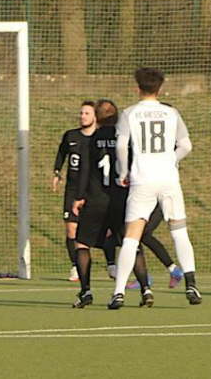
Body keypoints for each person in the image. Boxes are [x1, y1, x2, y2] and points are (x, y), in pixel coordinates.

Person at [108, 67, 201, 309]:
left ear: (137, 88)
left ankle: (118, 293)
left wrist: (123, 172)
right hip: (168, 179)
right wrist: (171, 159)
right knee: (179, 231)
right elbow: (186, 145)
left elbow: (120, 146)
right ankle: (191, 284)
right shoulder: (171, 113)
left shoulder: (130, 113)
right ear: (160, 89)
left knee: (131, 237)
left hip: (142, 179)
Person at [71, 99, 152, 308]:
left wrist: (79, 196)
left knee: (81, 243)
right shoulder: (124, 137)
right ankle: (146, 289)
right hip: (120, 199)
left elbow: (85, 170)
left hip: (96, 198)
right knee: (132, 243)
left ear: (96, 117)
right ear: (117, 118)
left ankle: (86, 291)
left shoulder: (91, 139)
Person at [53, 102, 116, 281]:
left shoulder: (100, 138)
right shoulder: (71, 136)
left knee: (106, 230)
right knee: (71, 230)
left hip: (95, 190)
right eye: (81, 113)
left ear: (95, 116)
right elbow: (61, 154)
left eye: (87, 113)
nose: (82, 116)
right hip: (73, 189)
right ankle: (76, 266)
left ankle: (111, 264)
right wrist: (57, 172)